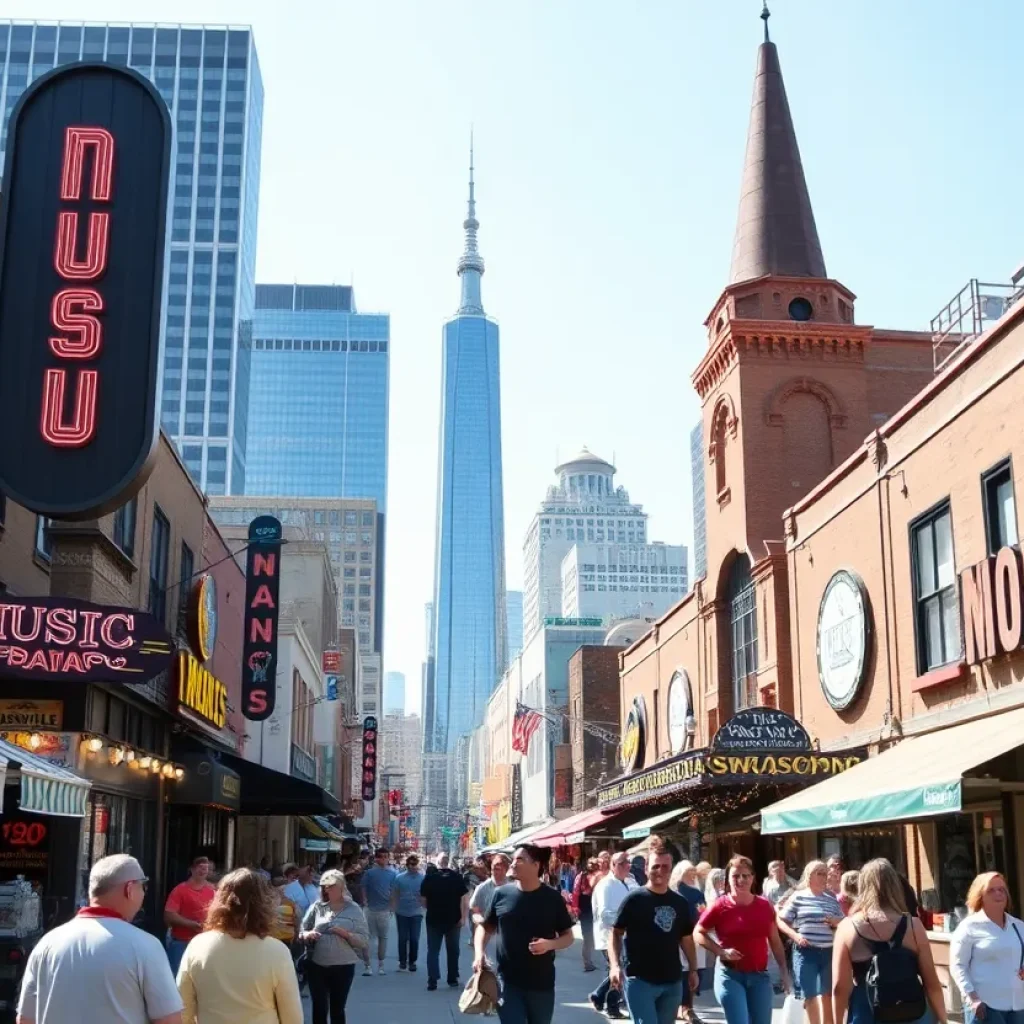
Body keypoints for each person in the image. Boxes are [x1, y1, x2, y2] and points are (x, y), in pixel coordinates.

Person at [17, 854, 183, 1024]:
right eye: (143, 887)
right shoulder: (146, 946)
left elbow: (25, 1019)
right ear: (130, 889)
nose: (143, 894)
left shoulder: (47, 943)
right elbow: (170, 1020)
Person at [176, 868, 302, 1024]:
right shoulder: (277, 951)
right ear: (264, 905)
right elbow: (293, 1017)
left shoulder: (197, 945)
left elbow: (183, 1008)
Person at [832, 858, 946, 1024]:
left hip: (867, 1011)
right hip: (912, 1010)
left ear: (862, 886)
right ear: (895, 886)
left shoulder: (847, 927)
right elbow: (932, 983)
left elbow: (839, 988)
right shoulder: (913, 925)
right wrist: (943, 1019)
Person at [474, 844, 575, 1024]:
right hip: (507, 982)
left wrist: (549, 944)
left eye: (519, 860)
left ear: (536, 865)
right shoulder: (501, 894)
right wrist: (479, 954)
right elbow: (485, 927)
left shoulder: (552, 898)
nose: (512, 864)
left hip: (541, 984)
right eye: (513, 859)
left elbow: (568, 936)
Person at [608, 839, 698, 1024]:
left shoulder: (680, 902)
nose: (660, 871)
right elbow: (615, 933)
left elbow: (686, 939)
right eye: (656, 866)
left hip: (672, 981)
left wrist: (693, 970)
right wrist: (615, 966)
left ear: (672, 869)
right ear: (646, 867)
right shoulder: (634, 899)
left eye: (666, 867)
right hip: (640, 981)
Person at [695, 854, 790, 1024]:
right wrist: (721, 951)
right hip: (730, 975)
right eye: (735, 876)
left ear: (753, 878)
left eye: (745, 875)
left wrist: (784, 971)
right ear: (728, 879)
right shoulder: (720, 905)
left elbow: (775, 941)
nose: (741, 880)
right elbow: (698, 932)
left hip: (759, 976)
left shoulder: (764, 906)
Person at [950, 871, 1024, 1024]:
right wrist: (972, 998)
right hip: (986, 1007)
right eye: (991, 890)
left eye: (1002, 890)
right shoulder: (969, 928)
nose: (998, 894)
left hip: (1018, 1006)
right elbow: (958, 966)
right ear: (980, 896)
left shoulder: (1018, 926)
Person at [776, 860, 843, 1024]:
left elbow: (844, 922)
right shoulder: (798, 896)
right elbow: (781, 920)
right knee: (810, 995)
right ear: (809, 876)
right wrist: (795, 936)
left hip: (828, 951)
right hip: (806, 951)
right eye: (819, 873)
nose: (823, 877)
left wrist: (836, 922)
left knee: (828, 994)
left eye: (825, 874)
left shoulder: (831, 899)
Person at [300, 869, 369, 1024]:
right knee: (319, 1008)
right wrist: (307, 935)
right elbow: (302, 931)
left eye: (332, 886)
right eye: (325, 886)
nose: (328, 889)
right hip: (317, 964)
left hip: (343, 966)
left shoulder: (354, 909)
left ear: (341, 887)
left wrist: (346, 934)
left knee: (337, 1009)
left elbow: (364, 940)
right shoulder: (317, 907)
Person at [591, 850, 639, 1019]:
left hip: (623, 936)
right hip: (609, 936)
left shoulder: (627, 882)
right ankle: (612, 1007)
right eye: (621, 863)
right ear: (612, 865)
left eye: (628, 863)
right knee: (618, 970)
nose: (626, 866)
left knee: (616, 970)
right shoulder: (606, 885)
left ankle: (598, 996)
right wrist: (624, 923)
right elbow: (605, 913)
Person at [421, 852, 469, 991]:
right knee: (453, 950)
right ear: (449, 862)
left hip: (434, 919)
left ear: (437, 862)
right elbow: (464, 899)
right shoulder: (457, 878)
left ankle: (433, 980)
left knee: (433, 950)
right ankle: (452, 979)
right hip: (453, 920)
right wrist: (463, 917)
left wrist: (433, 907)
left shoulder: (429, 878)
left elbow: (423, 901)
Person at [164, 856, 217, 977]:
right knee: (178, 978)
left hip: (206, 944)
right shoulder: (179, 890)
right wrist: (191, 924)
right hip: (181, 943)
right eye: (200, 867)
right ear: (192, 870)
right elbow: (169, 915)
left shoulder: (214, 890)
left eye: (206, 868)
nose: (203, 871)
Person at [670, 860, 708, 1023]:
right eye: (688, 873)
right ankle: (682, 1007)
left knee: (692, 971)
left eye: (694, 872)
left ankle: (687, 1006)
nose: (692, 875)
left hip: (692, 936)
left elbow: (703, 912)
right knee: (684, 972)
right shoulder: (676, 892)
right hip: (684, 937)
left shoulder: (695, 892)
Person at [363, 848, 397, 975]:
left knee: (383, 937)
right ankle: (368, 966)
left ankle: (381, 965)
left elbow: (394, 892)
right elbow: (363, 888)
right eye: (381, 857)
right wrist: (365, 902)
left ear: (388, 858)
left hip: (384, 910)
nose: (383, 859)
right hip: (370, 909)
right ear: (376, 858)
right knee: (370, 938)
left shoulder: (392, 874)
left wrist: (392, 908)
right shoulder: (369, 873)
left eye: (385, 857)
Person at [393, 853, 426, 972]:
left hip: (417, 912)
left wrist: (425, 906)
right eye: (410, 864)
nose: (413, 866)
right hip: (401, 912)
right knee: (402, 938)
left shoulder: (422, 878)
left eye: (415, 864)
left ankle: (412, 961)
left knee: (414, 938)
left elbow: (425, 895)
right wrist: (393, 908)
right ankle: (402, 961)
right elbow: (395, 893)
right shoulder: (399, 878)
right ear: (407, 865)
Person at [573, 857, 601, 973]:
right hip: (585, 910)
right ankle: (587, 963)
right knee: (588, 937)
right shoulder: (581, 876)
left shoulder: (600, 877)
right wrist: (576, 908)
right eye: (590, 863)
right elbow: (575, 892)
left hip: (596, 909)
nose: (591, 865)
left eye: (594, 864)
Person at [470, 852, 510, 930]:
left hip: (507, 933)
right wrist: (481, 921)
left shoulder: (513, 887)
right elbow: (474, 909)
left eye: (499, 866)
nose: (495, 869)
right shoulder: (482, 888)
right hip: (487, 934)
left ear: (506, 869)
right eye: (494, 866)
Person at [271, 876, 300, 946]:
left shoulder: (291, 903)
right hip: (275, 939)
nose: (282, 891)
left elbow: (297, 921)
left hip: (285, 938)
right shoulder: (269, 903)